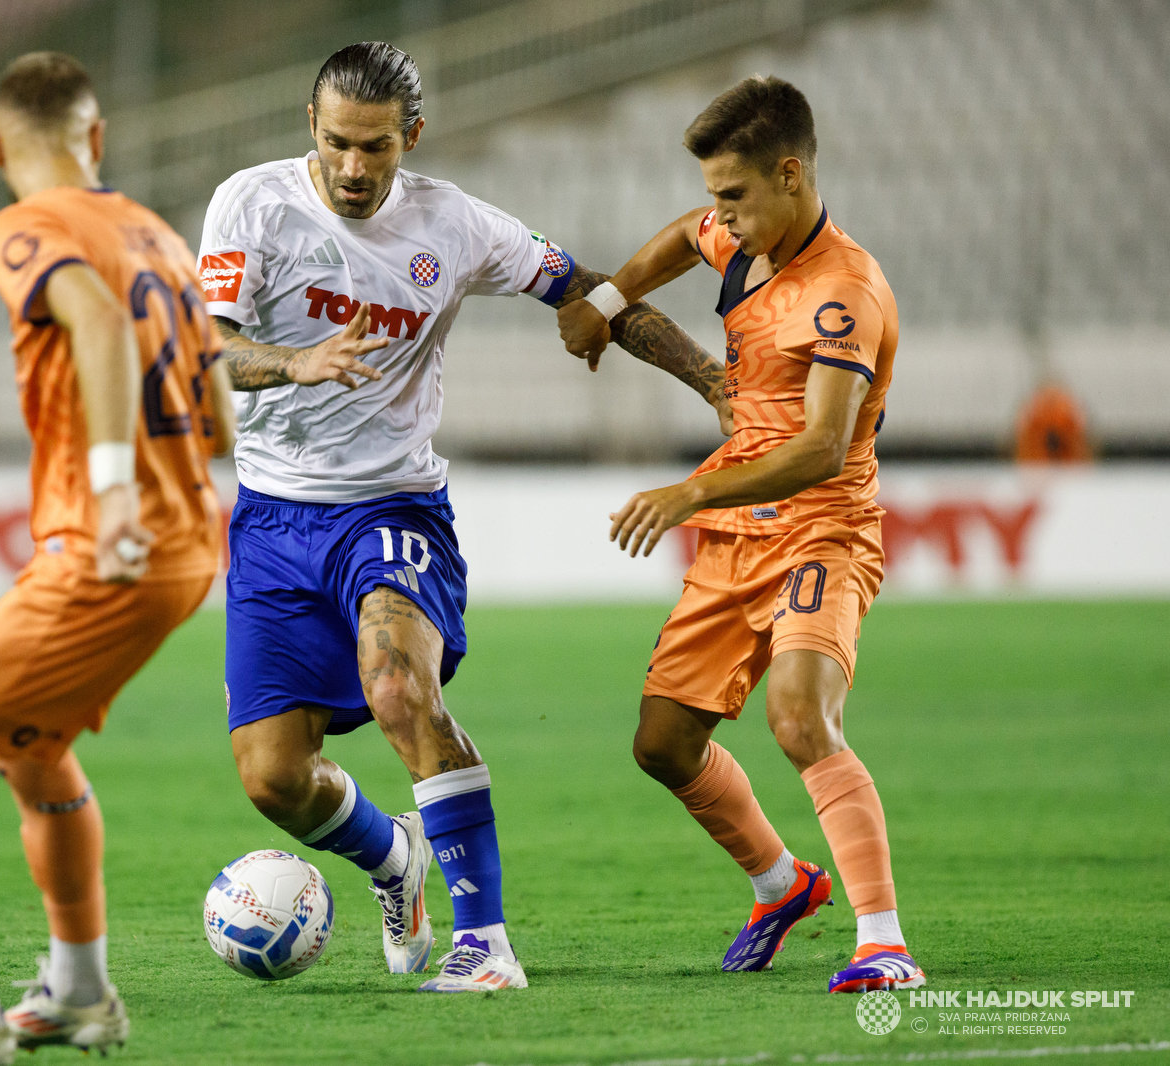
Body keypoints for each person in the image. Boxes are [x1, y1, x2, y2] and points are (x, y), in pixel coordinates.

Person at [200, 41, 729, 993]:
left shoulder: (456, 223)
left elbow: (583, 286)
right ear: (307, 129)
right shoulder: (253, 203)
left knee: (402, 689)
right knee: (274, 779)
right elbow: (205, 349)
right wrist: (294, 361)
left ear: (412, 135)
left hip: (393, 507)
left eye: (375, 148)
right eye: (336, 146)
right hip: (274, 519)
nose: (355, 170)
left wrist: (716, 385)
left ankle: (484, 946)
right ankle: (395, 861)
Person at [0, 52, 233, 1066]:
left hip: (111, 547)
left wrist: (113, 484)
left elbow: (100, 324)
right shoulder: (155, 232)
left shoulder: (25, 225)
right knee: (32, 748)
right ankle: (76, 990)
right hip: (185, 538)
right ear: (97, 137)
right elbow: (215, 404)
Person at [558, 75, 923, 994]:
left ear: (791, 175)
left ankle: (883, 941)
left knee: (799, 717)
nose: (719, 213)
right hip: (736, 534)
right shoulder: (738, 235)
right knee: (662, 745)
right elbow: (686, 234)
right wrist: (607, 299)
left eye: (735, 194)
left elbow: (821, 451)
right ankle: (780, 882)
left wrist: (690, 494)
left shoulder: (843, 293)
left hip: (819, 529)